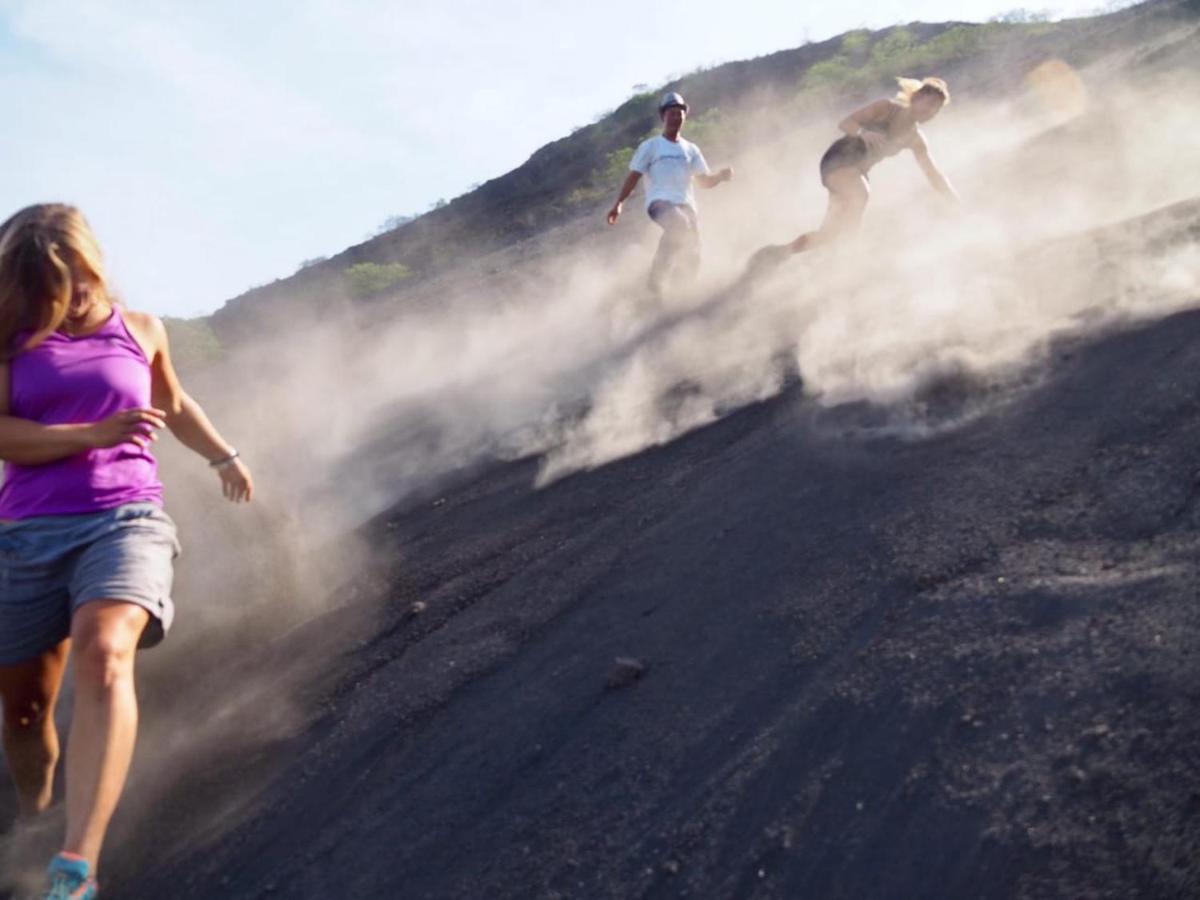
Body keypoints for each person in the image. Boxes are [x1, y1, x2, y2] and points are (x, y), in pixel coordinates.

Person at [0, 203, 253, 899]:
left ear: (93, 264)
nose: (65, 298)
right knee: (24, 714)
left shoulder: (140, 329)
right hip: (25, 538)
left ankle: (75, 866)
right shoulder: (9, 341)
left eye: (73, 280)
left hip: (125, 519)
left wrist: (223, 455)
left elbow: (172, 405)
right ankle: (34, 814)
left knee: (105, 649)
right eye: (44, 286)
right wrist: (89, 433)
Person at [750, 77, 959, 270]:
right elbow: (845, 123)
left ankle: (777, 253)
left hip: (857, 172)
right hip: (839, 158)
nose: (931, 112)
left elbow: (933, 174)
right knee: (861, 195)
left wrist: (953, 200)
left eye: (937, 109)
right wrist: (862, 132)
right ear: (916, 98)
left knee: (828, 234)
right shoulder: (886, 108)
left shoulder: (915, 138)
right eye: (930, 104)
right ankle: (849, 260)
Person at [607, 91, 733, 297]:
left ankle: (679, 295)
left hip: (687, 205)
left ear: (685, 116)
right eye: (672, 113)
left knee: (694, 254)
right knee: (679, 225)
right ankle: (656, 279)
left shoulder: (691, 149)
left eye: (680, 113)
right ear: (663, 116)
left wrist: (720, 176)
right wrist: (619, 203)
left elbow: (703, 181)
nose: (676, 117)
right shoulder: (651, 146)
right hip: (659, 202)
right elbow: (633, 176)